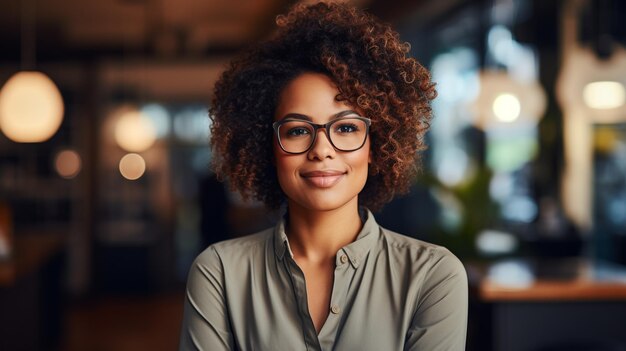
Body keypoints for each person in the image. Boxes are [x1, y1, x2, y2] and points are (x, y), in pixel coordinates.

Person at [179, 2, 468, 350]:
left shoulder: (432, 275)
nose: (322, 149)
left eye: (345, 127)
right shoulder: (219, 272)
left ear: (375, 146)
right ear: (267, 147)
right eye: (298, 131)